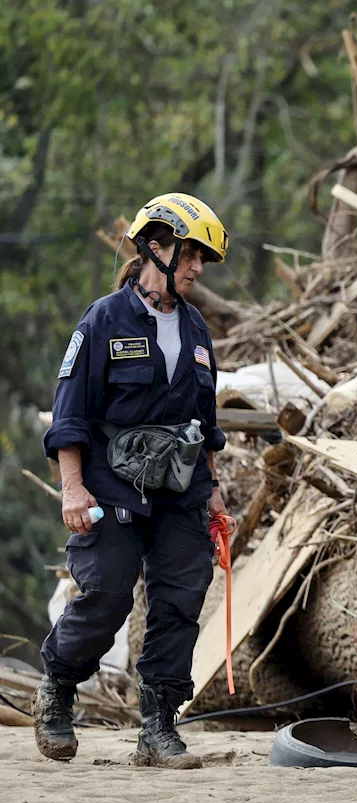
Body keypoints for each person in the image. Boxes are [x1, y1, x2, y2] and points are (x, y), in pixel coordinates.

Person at [36, 193, 230, 769]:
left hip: (180, 491)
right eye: (191, 255)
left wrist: (214, 493)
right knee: (109, 594)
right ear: (156, 246)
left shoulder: (196, 330)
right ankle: (59, 688)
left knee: (179, 602)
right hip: (111, 489)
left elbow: (207, 425)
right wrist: (73, 489)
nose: (197, 268)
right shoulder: (102, 320)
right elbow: (69, 415)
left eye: (202, 259)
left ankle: (158, 728)